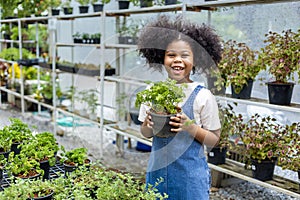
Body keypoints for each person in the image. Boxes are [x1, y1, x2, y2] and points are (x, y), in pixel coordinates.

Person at [137, 15, 222, 199]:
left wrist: (190, 127)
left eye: (185, 55)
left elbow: (213, 140)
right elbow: (145, 133)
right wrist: (148, 124)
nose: (178, 60)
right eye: (171, 55)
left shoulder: (203, 96)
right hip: (157, 175)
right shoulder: (153, 92)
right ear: (161, 57)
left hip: (190, 181)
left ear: (196, 59)